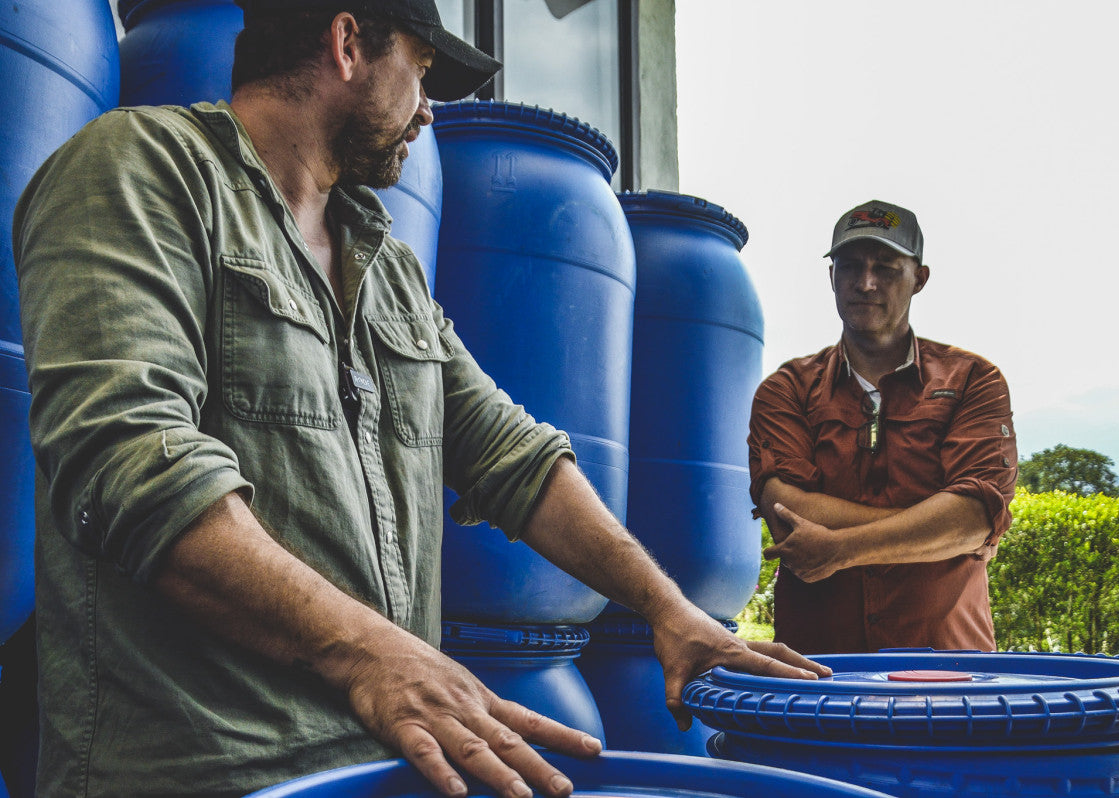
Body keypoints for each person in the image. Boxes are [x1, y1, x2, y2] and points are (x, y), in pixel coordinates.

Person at [12, 2, 829, 796]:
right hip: (209, 772)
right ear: (346, 44)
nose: (429, 111)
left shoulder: (385, 266)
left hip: (383, 765)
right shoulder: (141, 171)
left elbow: (513, 456)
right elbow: (131, 467)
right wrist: (375, 655)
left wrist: (669, 610)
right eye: (421, 69)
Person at [747, 200, 1018, 655]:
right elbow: (786, 511)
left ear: (920, 279)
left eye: (887, 268)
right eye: (850, 266)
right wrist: (940, 529)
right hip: (819, 672)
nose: (866, 282)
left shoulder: (973, 379)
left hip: (948, 671)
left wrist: (839, 548)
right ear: (831, 277)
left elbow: (972, 516)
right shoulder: (786, 388)